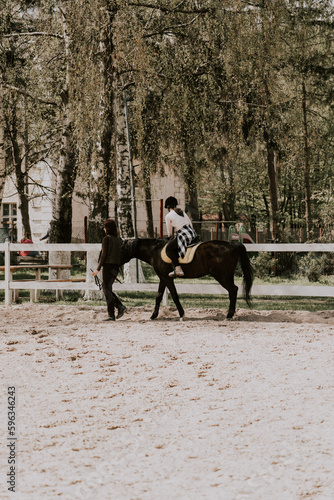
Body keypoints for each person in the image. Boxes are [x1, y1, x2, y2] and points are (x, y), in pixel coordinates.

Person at [92, 219, 126, 321]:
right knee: (108, 289)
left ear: (107, 228)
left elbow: (103, 255)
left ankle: (113, 312)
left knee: (106, 289)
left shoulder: (106, 239)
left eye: (104, 227)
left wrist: (97, 269)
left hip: (108, 266)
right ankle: (117, 308)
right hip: (116, 267)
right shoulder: (119, 239)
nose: (103, 229)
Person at [164, 196, 198, 278]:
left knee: (169, 249)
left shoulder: (168, 216)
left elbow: (169, 232)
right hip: (192, 233)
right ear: (175, 205)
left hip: (183, 234)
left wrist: (170, 237)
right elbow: (190, 224)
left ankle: (178, 268)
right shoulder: (182, 212)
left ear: (168, 207)